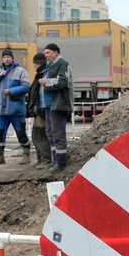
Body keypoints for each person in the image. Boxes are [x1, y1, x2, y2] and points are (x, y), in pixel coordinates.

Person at [0, 48, 31, 166]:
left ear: (12, 58)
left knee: (21, 133)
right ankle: (0, 157)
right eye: (4, 57)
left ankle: (26, 154)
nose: (6, 59)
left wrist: (11, 91)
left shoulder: (20, 71)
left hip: (16, 109)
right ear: (2, 59)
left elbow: (26, 87)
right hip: (1, 110)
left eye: (8, 57)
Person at [42, 43, 73, 173]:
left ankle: (61, 163)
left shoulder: (62, 64)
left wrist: (46, 83)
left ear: (56, 52)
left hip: (60, 105)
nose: (46, 56)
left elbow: (62, 82)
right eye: (45, 54)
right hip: (51, 105)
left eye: (48, 53)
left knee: (58, 134)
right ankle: (56, 160)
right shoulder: (51, 66)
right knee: (51, 133)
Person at [26, 52, 51, 168]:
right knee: (37, 136)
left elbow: (40, 93)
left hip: (41, 110)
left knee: (40, 136)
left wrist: (38, 107)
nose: (34, 66)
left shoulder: (44, 74)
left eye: (35, 63)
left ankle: (45, 160)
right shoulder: (41, 74)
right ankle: (41, 159)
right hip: (38, 110)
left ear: (38, 63)